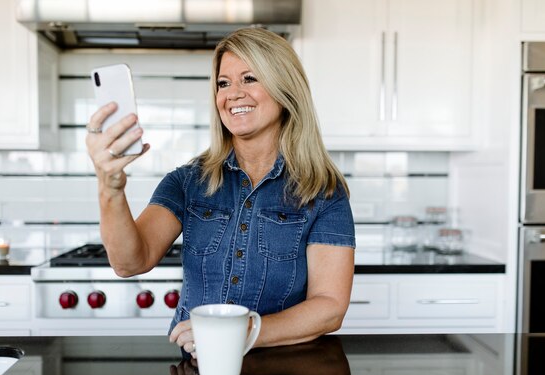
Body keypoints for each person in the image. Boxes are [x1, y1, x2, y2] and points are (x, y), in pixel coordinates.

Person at [85, 27, 355, 354]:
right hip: (198, 369)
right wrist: (109, 184)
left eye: (249, 79)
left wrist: (245, 332)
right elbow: (130, 262)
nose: (233, 93)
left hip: (284, 370)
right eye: (223, 83)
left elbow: (329, 306)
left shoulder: (324, 191)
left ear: (286, 89)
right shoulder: (188, 181)